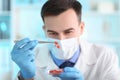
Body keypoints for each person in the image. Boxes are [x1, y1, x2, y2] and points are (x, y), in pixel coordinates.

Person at [11, 0, 120, 80]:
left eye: (68, 32)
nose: (61, 40)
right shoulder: (31, 59)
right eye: (53, 33)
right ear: (45, 30)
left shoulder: (105, 56)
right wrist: (26, 76)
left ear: (81, 28)